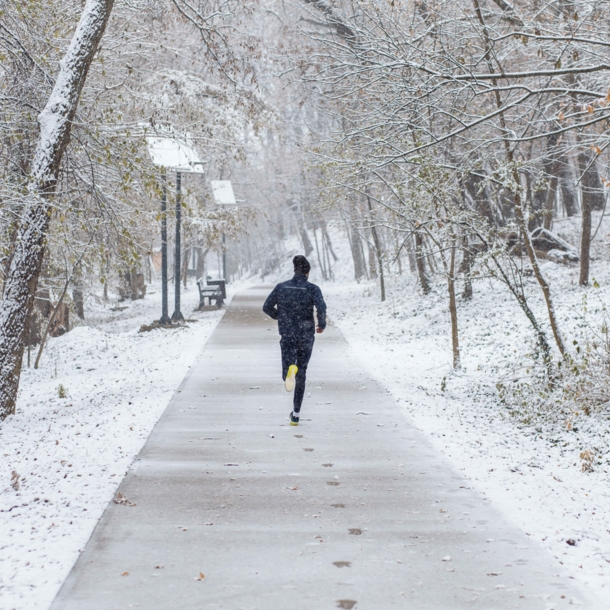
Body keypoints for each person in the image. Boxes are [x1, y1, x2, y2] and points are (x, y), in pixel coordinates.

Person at [262, 255, 327, 426]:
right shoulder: (312, 289)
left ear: (294, 270)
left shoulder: (281, 287)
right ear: (307, 272)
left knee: (289, 368)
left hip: (288, 333)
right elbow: (321, 307)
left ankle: (288, 372)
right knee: (302, 373)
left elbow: (266, 306)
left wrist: (280, 316)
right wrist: (321, 324)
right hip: (306, 334)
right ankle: (296, 414)